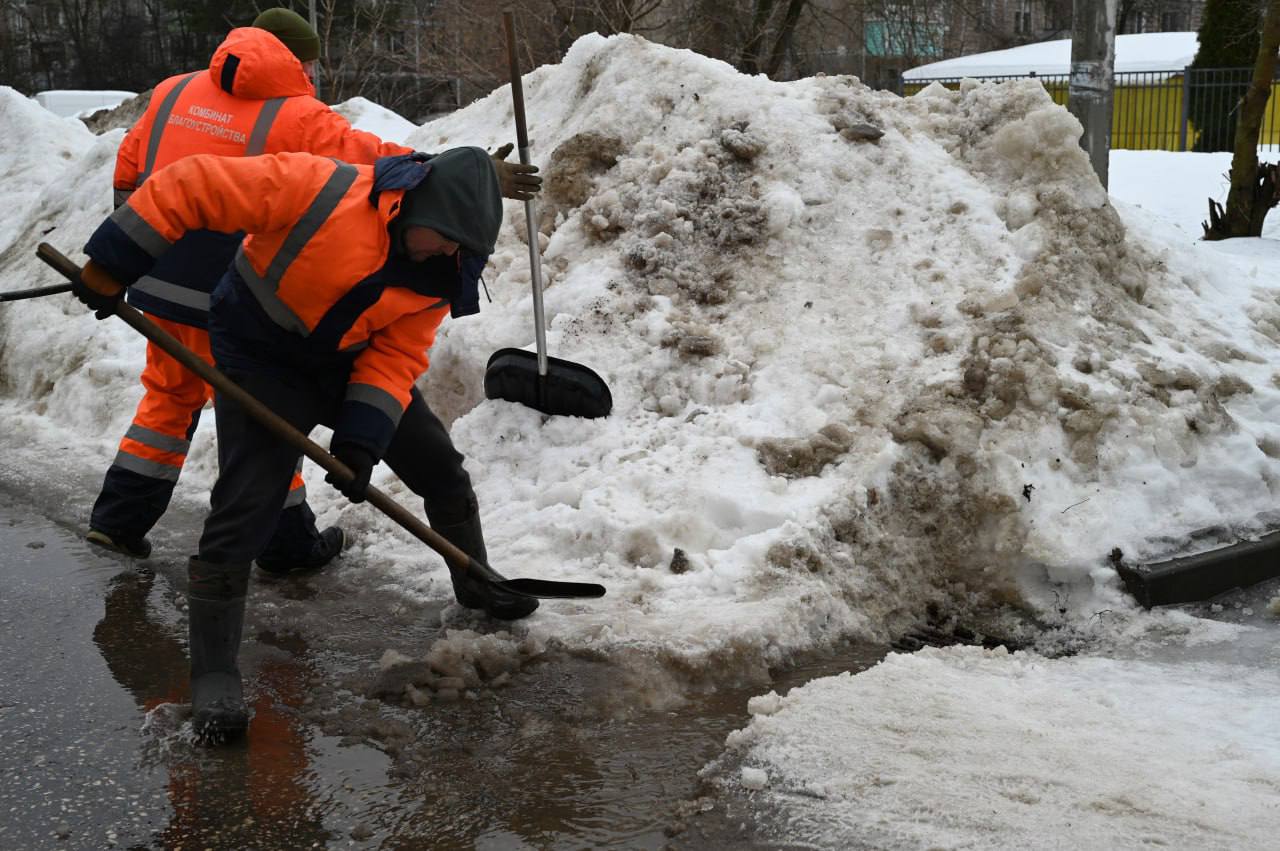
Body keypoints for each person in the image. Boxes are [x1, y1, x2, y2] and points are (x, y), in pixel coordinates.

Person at [76, 146, 538, 742]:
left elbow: (396, 353)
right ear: (407, 204)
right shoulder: (320, 190)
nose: (448, 252)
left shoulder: (445, 269)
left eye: (460, 247)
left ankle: (477, 583)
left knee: (441, 469)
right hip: (261, 350)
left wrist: (360, 444)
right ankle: (214, 675)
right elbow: (191, 181)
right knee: (249, 500)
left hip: (346, 358)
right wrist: (112, 263)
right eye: (444, 237)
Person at [87, 7, 540, 572]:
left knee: (167, 397)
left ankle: (117, 521)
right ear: (292, 58)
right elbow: (372, 165)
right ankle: (287, 547)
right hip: (244, 291)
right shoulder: (297, 113)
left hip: (153, 268)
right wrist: (464, 173)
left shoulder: (174, 91)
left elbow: (129, 173)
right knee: (265, 423)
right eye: (306, 61)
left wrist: (124, 258)